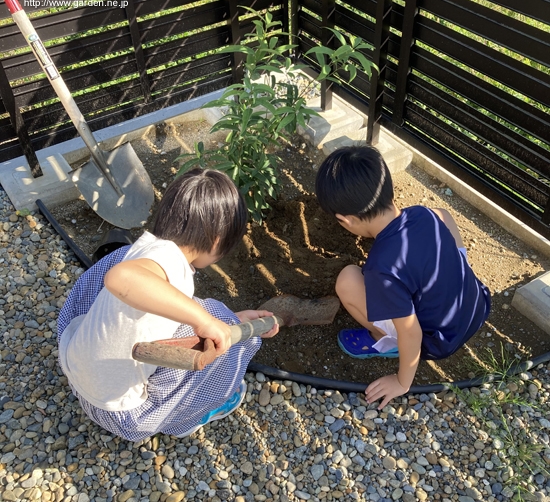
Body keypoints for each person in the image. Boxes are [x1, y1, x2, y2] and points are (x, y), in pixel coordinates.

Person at [57, 168, 278, 441]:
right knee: (224, 340)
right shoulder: (169, 265)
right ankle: (186, 417)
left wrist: (224, 318)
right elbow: (123, 278)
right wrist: (211, 322)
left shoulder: (142, 249)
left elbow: (144, 288)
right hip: (123, 415)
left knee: (121, 268)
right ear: (218, 241)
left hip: (75, 369)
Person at [315, 145, 491, 409]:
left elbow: (411, 332)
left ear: (347, 220)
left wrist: (402, 381)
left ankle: (382, 341)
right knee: (443, 215)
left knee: (348, 280)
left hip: (438, 341)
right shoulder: (423, 214)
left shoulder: (382, 270)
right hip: (477, 306)